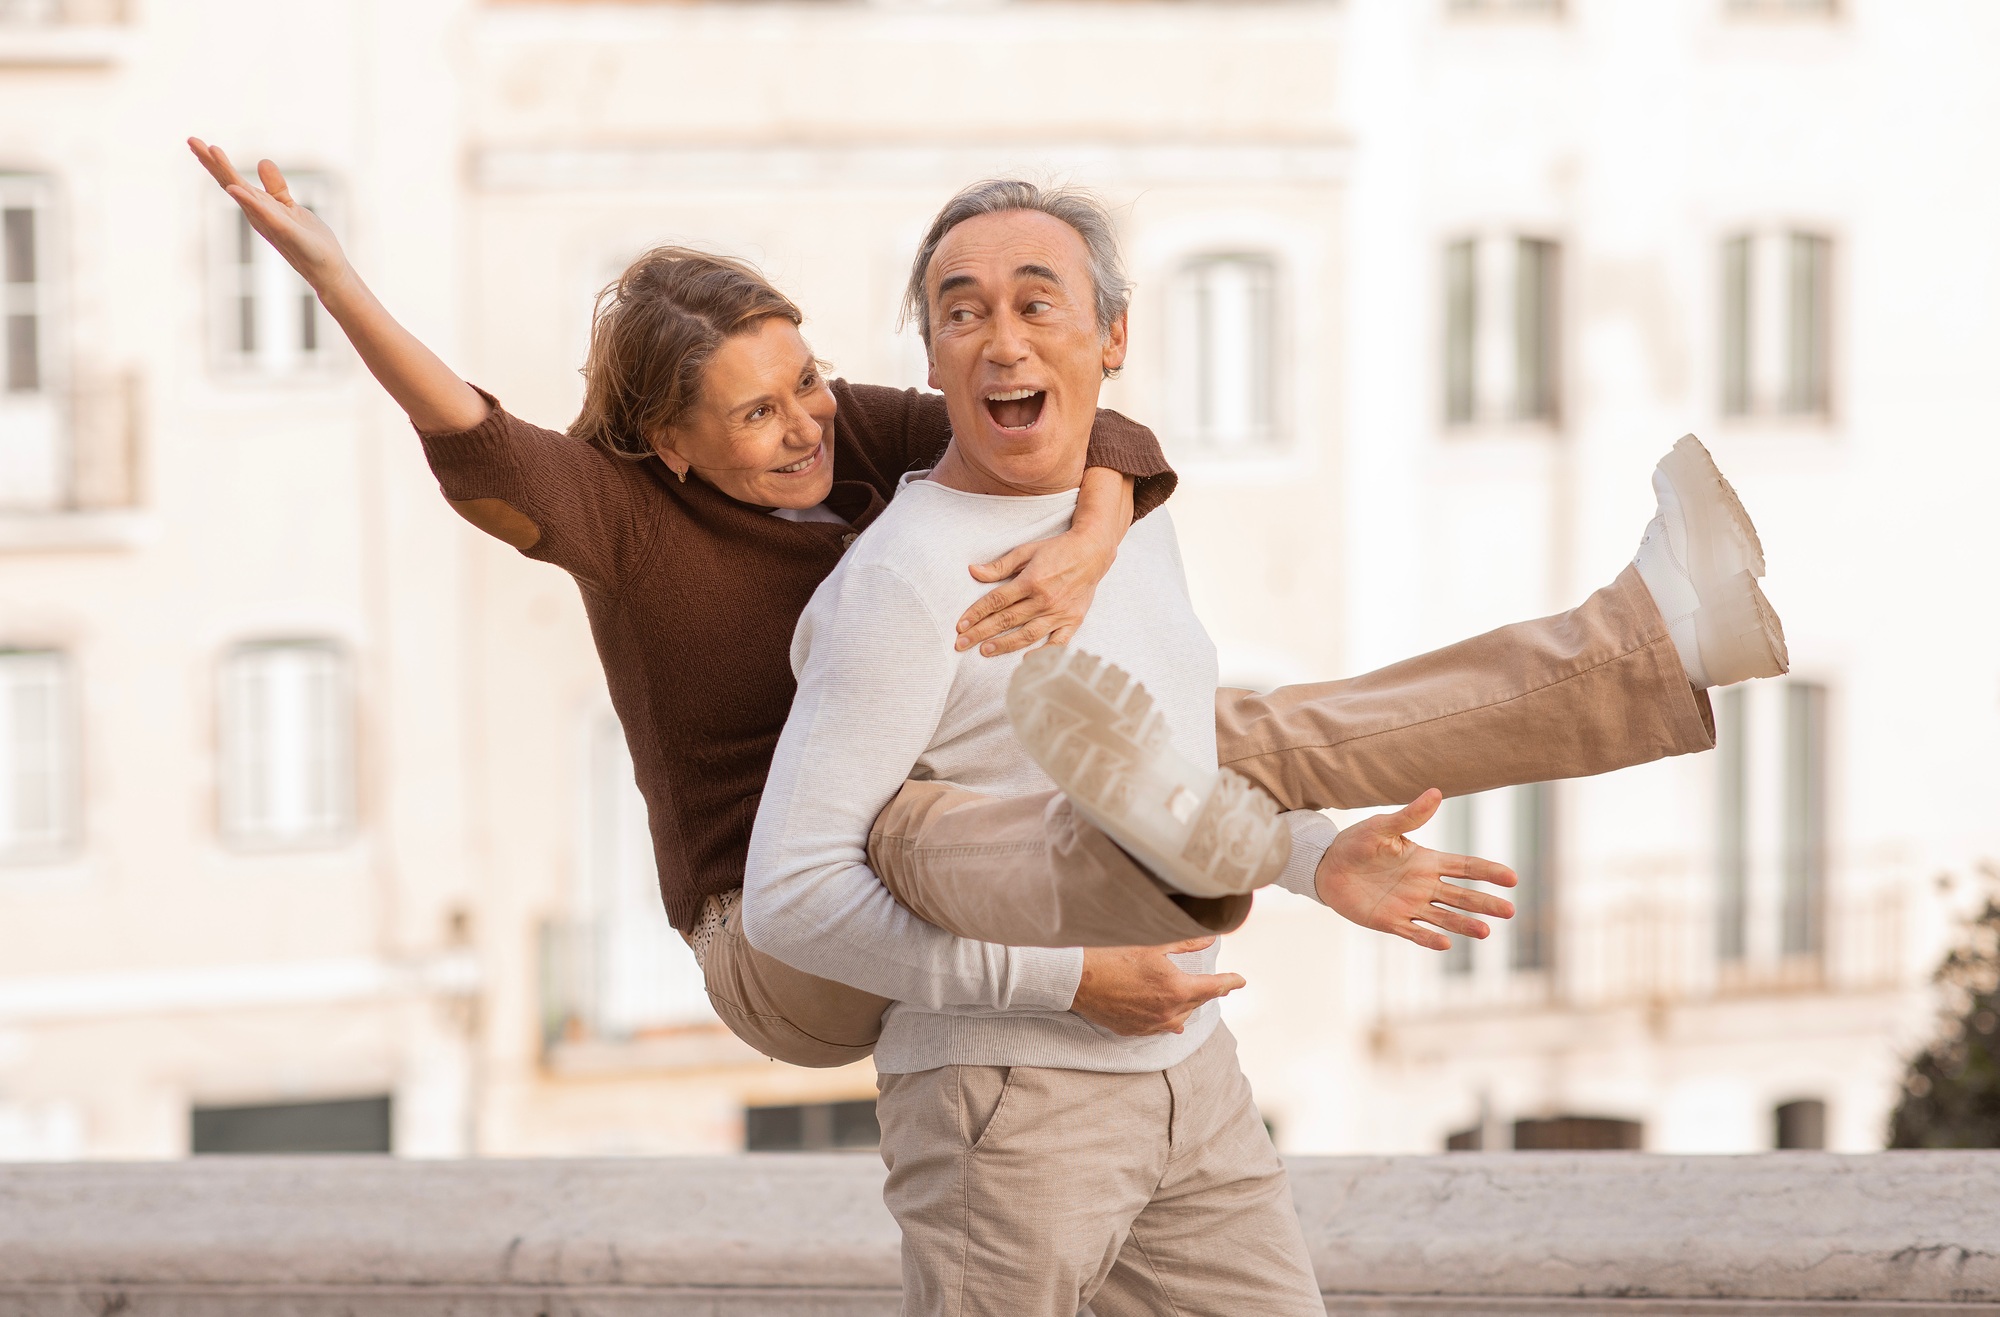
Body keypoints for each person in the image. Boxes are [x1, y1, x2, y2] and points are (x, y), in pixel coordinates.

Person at [742, 179, 1787, 1314]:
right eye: (962, 312)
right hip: (1004, 1096)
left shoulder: (1125, 526)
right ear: (930, 360)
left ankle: (1656, 637)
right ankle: (1646, 635)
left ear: (1114, 336)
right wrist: (1068, 982)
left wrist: (1309, 860)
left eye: (1037, 305)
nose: (1000, 341)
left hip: (1189, 1061)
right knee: (1267, 733)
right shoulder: (899, 581)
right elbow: (790, 894)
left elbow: (1183, 758)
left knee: (1272, 727)